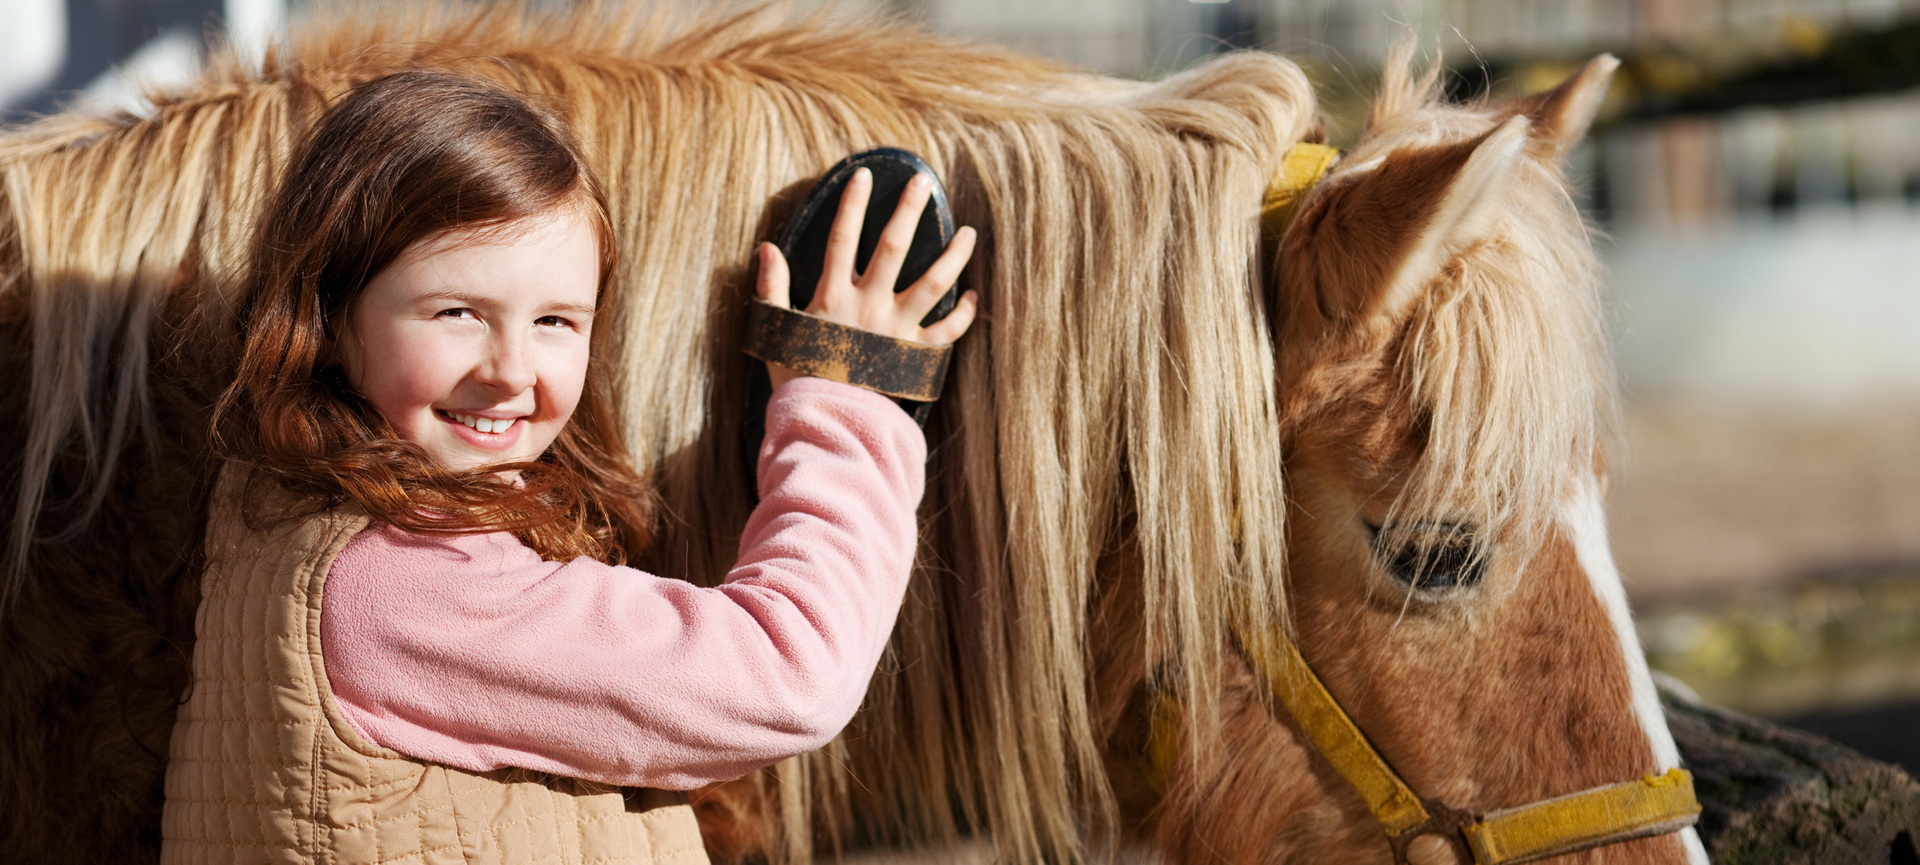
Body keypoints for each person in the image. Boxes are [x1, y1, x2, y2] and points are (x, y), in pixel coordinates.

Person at [160, 71, 977, 865]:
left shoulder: (270, 498)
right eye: (458, 313)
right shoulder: (408, 584)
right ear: (330, 316)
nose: (513, 370)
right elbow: (787, 674)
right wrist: (839, 405)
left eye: (555, 319)